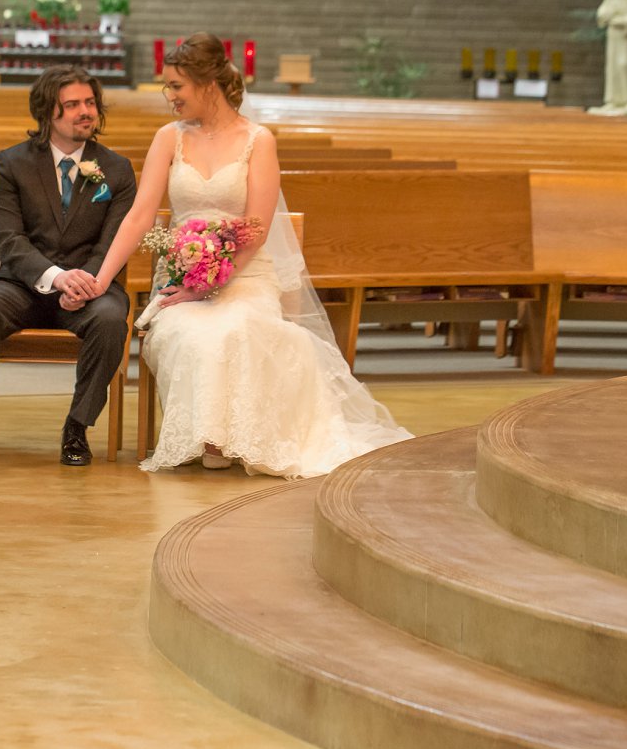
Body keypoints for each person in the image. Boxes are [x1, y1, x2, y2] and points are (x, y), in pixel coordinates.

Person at [85, 33, 413, 479]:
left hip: (244, 276)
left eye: (177, 86)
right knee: (192, 333)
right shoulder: (168, 138)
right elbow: (139, 217)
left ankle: (230, 439)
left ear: (207, 84)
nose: (170, 97)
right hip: (178, 281)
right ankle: (209, 438)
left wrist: (211, 279)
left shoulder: (258, 140)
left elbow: (256, 229)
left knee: (236, 328)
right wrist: (101, 279)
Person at [0, 65, 137, 472]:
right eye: (73, 105)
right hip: (24, 285)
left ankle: (77, 426)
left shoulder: (116, 169)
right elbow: (8, 238)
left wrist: (88, 281)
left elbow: (115, 240)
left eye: (90, 103)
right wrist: (55, 276)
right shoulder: (12, 164)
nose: (86, 112)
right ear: (47, 113)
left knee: (112, 318)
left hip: (91, 288)